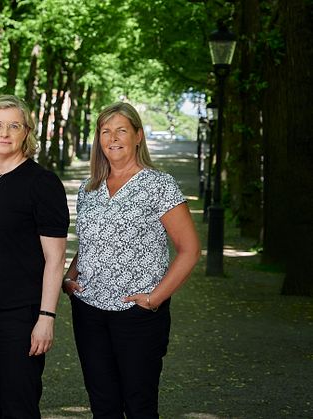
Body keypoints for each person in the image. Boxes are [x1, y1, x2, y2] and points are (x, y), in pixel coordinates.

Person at [63, 102, 200, 418]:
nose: (112, 138)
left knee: (139, 405)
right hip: (89, 311)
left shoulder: (158, 185)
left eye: (121, 130)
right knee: (102, 403)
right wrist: (69, 279)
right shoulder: (89, 188)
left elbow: (190, 250)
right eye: (105, 131)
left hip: (137, 313)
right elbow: (90, 244)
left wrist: (154, 299)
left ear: (138, 135)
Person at [0, 95, 69, 418]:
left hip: (20, 316)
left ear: (26, 133)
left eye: (14, 125)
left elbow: (55, 259)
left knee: (19, 406)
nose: (4, 132)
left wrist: (46, 318)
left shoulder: (42, 184)